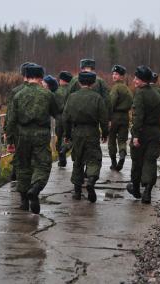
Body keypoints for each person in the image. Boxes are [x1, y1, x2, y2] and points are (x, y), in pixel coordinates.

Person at [6, 64, 59, 214]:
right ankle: (35, 188)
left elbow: (10, 120)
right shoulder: (47, 94)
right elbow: (57, 114)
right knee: (42, 164)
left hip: (22, 135)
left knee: (23, 166)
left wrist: (10, 141)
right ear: (41, 77)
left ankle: (24, 201)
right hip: (41, 134)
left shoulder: (18, 95)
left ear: (27, 76)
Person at [63, 71, 109, 202]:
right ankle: (91, 181)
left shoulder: (72, 97)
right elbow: (103, 118)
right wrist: (105, 133)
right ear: (93, 83)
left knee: (77, 160)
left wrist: (67, 135)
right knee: (93, 159)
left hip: (77, 132)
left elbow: (65, 117)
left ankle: (77, 192)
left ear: (78, 82)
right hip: (92, 132)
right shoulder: (97, 98)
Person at [126, 66, 160, 204]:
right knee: (150, 160)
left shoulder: (140, 94)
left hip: (142, 133)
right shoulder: (157, 93)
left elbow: (137, 116)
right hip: (155, 132)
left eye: (136, 78)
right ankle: (148, 191)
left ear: (142, 80)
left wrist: (136, 135)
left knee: (137, 161)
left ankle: (136, 189)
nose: (134, 80)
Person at [4, 62, 33, 183]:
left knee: (19, 152)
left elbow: (10, 112)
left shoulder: (15, 91)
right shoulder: (40, 90)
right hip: (34, 128)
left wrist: (6, 130)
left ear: (22, 74)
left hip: (17, 128)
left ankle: (16, 175)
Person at [108, 65, 133, 171]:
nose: (114, 76)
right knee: (122, 140)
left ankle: (114, 163)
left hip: (114, 117)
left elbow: (111, 104)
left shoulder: (115, 88)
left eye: (116, 74)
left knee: (112, 140)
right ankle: (122, 155)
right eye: (113, 74)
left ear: (122, 76)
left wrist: (108, 118)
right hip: (125, 117)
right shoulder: (128, 90)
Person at [56, 71, 73, 167]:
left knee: (59, 138)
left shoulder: (57, 91)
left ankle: (61, 160)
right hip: (70, 117)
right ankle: (65, 149)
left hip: (59, 118)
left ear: (62, 80)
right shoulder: (72, 90)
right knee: (69, 137)